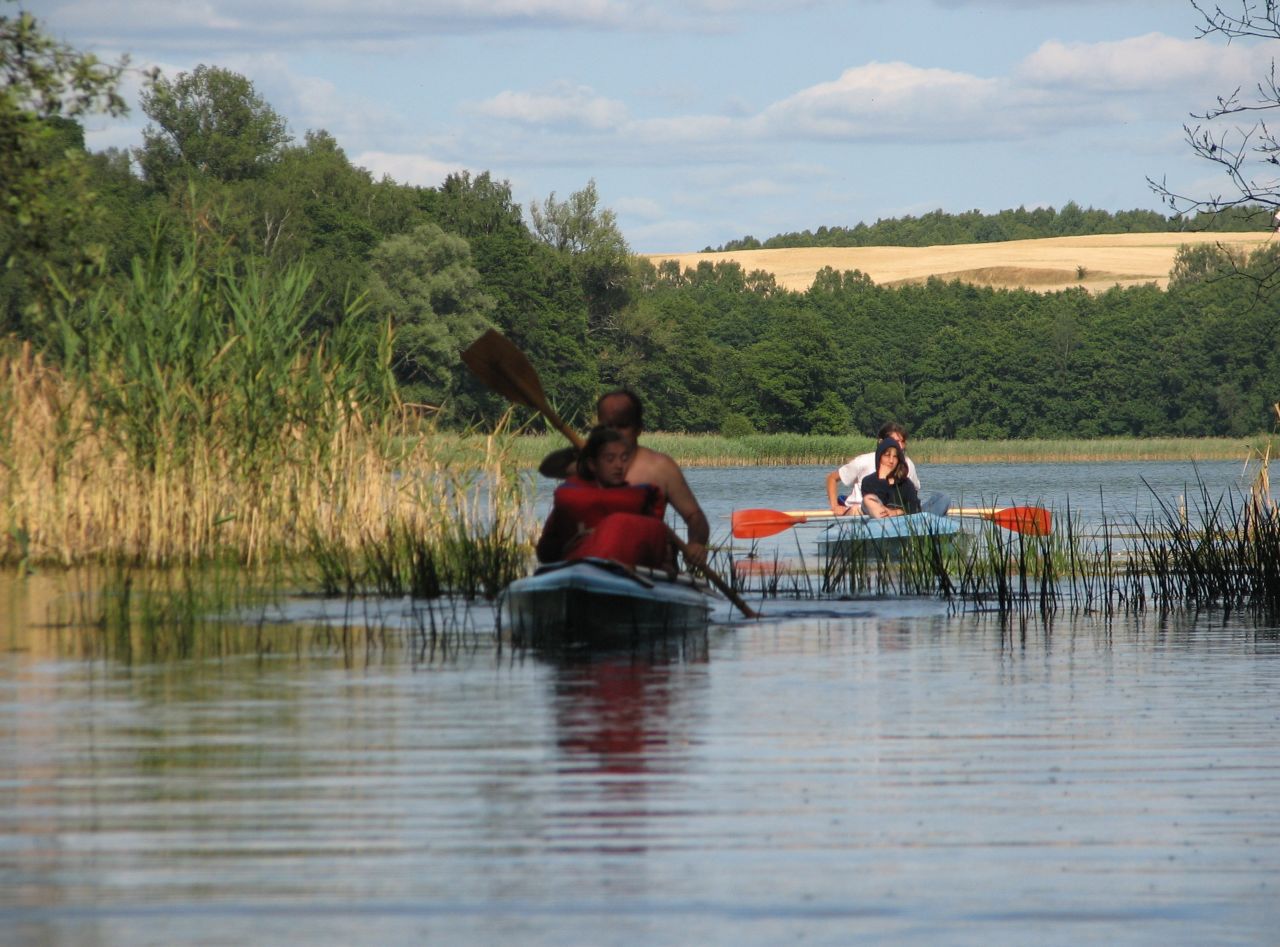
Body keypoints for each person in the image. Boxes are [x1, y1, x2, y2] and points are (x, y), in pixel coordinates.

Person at [535, 426, 675, 572]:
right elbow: (546, 553)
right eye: (610, 458)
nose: (619, 465)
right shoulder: (573, 500)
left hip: (630, 574)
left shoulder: (639, 500)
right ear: (592, 464)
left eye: (623, 458)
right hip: (580, 567)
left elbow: (657, 547)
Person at [826, 423, 919, 516]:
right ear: (881, 442)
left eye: (902, 441)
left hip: (892, 512)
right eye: (895, 441)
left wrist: (896, 512)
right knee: (862, 505)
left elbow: (913, 496)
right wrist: (835, 506)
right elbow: (832, 478)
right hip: (859, 510)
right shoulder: (863, 462)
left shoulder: (907, 465)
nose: (899, 445)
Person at [860, 438, 921, 519]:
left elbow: (915, 508)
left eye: (895, 456)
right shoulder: (868, 481)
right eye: (887, 455)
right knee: (867, 499)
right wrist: (882, 479)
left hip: (900, 524)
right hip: (876, 523)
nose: (891, 461)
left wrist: (895, 512)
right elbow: (878, 504)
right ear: (879, 457)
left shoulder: (906, 483)